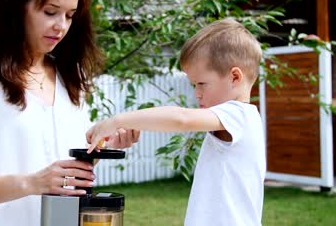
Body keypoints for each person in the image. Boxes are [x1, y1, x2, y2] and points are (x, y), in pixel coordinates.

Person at [0, 0, 139, 225]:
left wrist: (102, 146)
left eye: (70, 16)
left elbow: (65, 174)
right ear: (18, 8)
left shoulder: (71, 78)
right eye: (50, 12)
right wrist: (32, 182)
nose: (61, 26)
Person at [87, 19, 266, 226]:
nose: (196, 93)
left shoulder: (240, 115)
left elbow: (181, 119)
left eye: (201, 84)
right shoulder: (235, 120)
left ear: (235, 77)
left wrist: (118, 120)